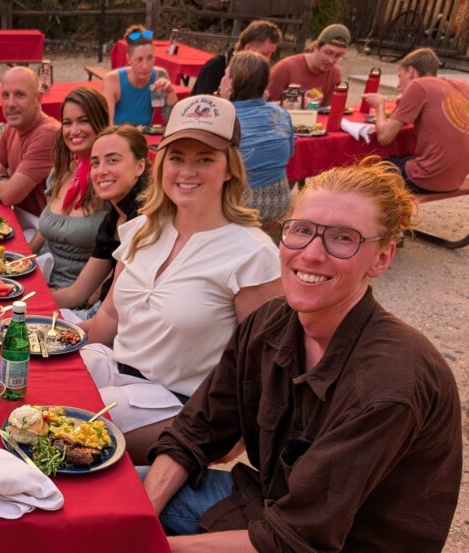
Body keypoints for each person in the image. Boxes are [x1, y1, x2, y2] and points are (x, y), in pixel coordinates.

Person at [141, 158, 462, 552]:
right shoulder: (271, 322)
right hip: (273, 512)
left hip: (334, 543)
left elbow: (297, 540)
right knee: (112, 494)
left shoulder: (388, 385)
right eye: (302, 230)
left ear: (381, 258)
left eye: (343, 238)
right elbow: (195, 431)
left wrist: (141, 546)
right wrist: (137, 521)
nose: (310, 254)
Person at [82, 95, 282, 464]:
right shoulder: (142, 229)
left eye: (204, 159)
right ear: (161, 166)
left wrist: (230, 438)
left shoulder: (253, 254)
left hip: (180, 404)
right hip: (116, 369)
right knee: (37, 387)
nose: (187, 172)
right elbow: (109, 317)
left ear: (230, 169)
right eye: (177, 158)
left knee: (64, 430)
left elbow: (261, 366)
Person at [53, 125, 148, 314]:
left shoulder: (145, 221)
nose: (101, 171)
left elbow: (113, 319)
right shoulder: (112, 219)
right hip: (99, 316)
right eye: (95, 163)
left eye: (113, 161)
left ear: (140, 166)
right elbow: (77, 293)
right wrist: (23, 300)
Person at [30, 87, 111, 289]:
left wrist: (93, 303)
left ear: (100, 123)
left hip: (75, 294)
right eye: (67, 123)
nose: (74, 131)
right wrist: (19, 263)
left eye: (83, 121)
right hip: (40, 277)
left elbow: (120, 260)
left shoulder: (110, 179)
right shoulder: (61, 170)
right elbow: (45, 230)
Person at [364, 47, 469, 193]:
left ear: (411, 71)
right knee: (404, 157)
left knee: (366, 167)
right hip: (456, 178)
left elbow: (384, 137)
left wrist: (379, 106)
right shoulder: (462, 86)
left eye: (400, 77)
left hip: (427, 179)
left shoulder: (418, 85)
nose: (398, 85)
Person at [0, 66, 60, 217]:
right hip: (22, 220)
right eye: (5, 95)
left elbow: (9, 196)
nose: (10, 104)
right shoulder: (12, 128)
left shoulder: (49, 134)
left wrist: (0, 175)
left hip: (42, 230)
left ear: (38, 98)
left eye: (20, 95)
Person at [226, 51, 295, 228]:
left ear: (232, 82)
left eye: (225, 74)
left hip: (241, 203)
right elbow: (290, 154)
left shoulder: (226, 117)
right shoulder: (281, 113)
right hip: (279, 199)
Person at [101, 25, 178, 126]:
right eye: (139, 59)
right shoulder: (113, 80)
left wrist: (170, 91)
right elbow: (106, 126)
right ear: (128, 59)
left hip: (146, 137)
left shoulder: (159, 75)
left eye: (150, 58)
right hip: (118, 138)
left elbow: (173, 123)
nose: (145, 66)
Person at [192, 19, 281, 96]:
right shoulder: (215, 67)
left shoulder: (259, 72)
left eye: (271, 54)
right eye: (264, 54)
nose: (268, 59)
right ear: (248, 48)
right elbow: (204, 106)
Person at [267, 24, 349, 106]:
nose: (331, 60)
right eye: (328, 53)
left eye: (338, 56)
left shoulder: (334, 73)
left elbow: (329, 109)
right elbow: (264, 108)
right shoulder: (284, 68)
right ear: (316, 47)